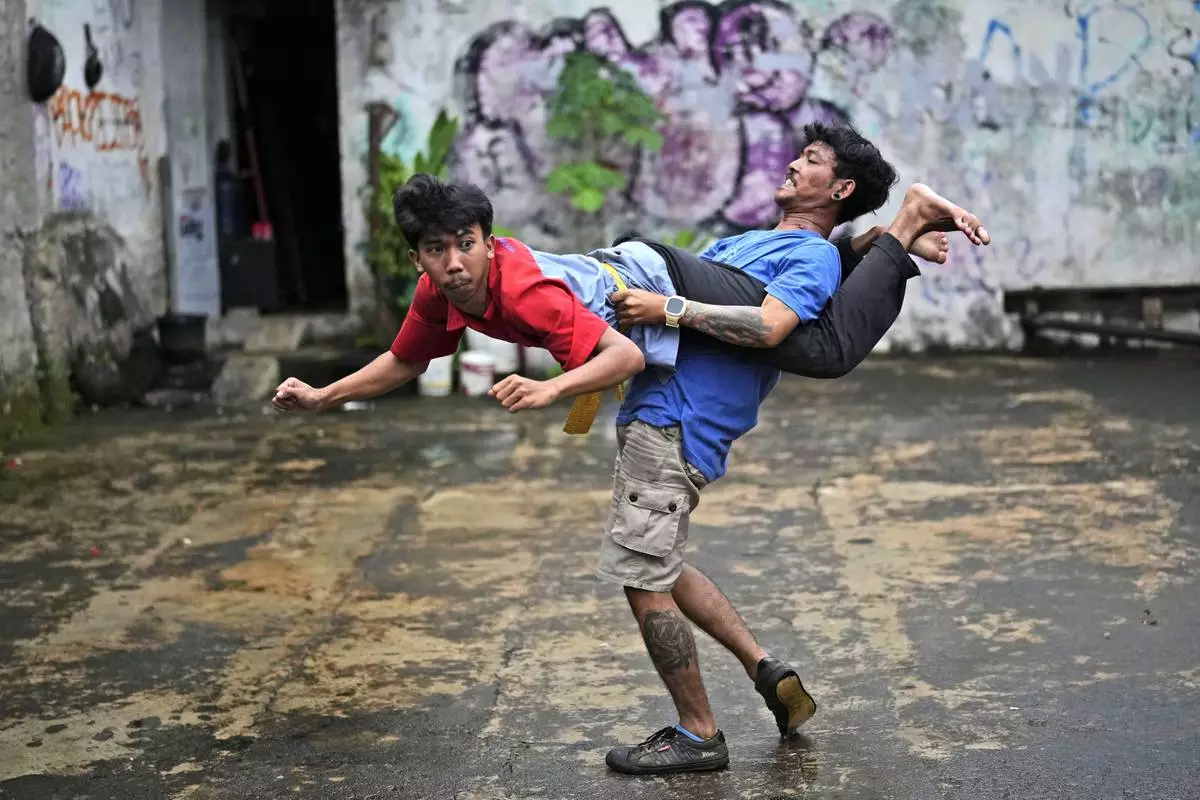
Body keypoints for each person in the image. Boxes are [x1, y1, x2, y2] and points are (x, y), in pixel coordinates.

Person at [594, 127, 991, 776]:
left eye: (810, 161)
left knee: (642, 579)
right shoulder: (752, 242)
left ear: (838, 189)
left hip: (680, 426)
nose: (790, 163)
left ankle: (699, 735)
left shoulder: (809, 256)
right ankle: (765, 669)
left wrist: (666, 309)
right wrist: (878, 242)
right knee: (661, 562)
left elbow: (772, 325)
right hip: (656, 418)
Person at [272, 126, 986, 417]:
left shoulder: (522, 285)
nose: (452, 262)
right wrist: (326, 395)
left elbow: (621, 352)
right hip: (669, 267)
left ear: (488, 240)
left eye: (464, 243)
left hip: (659, 275)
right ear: (420, 256)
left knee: (820, 349)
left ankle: (912, 215)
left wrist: (554, 390)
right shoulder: (443, 287)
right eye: (437, 249)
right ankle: (903, 229)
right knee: (809, 322)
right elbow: (403, 360)